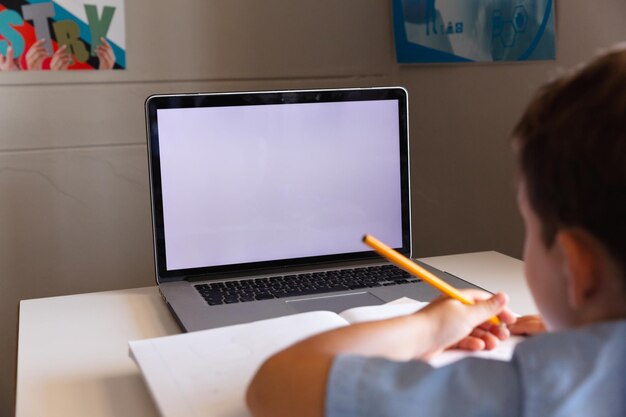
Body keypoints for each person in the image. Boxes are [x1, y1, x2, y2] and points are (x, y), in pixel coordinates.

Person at [245, 45, 626, 417]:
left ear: (579, 268)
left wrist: (426, 327)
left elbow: (276, 384)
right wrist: (592, 336)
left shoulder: (534, 391)